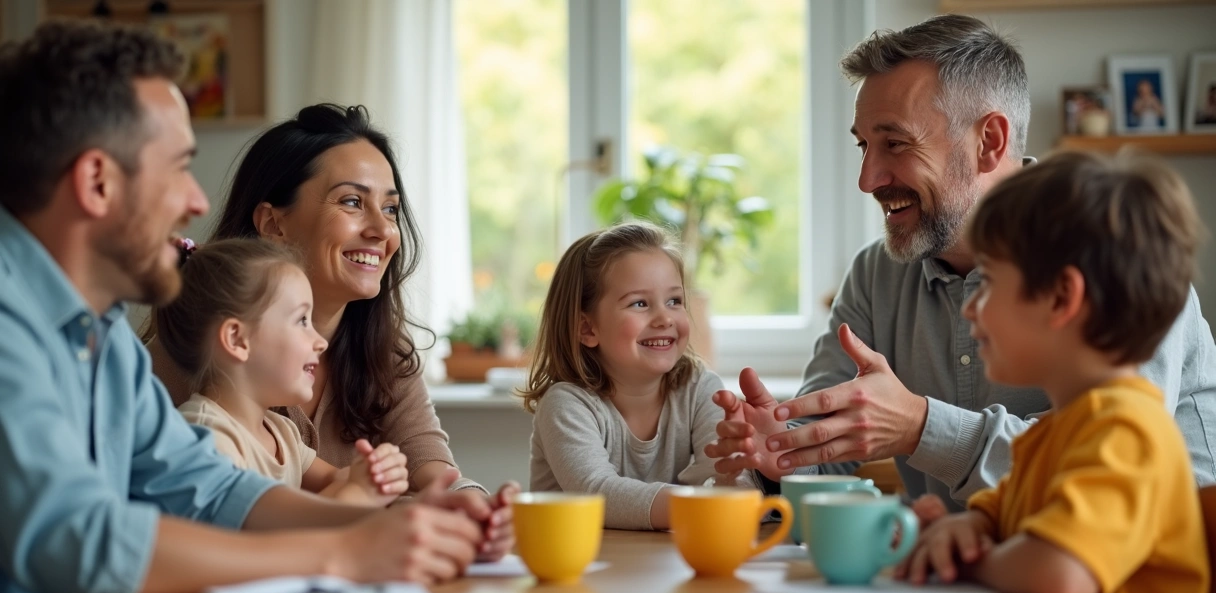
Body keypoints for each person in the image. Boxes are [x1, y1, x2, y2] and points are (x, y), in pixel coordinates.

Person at [0, 20, 482, 593]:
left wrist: (394, 528)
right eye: (177, 168)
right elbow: (76, 540)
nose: (196, 201)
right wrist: (340, 555)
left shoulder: (106, 336)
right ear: (97, 182)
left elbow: (204, 484)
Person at [705, 14, 1216, 509]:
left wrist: (920, 427)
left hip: (1146, 579)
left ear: (988, 142)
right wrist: (782, 450)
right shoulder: (875, 275)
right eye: (864, 146)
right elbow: (827, 443)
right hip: (979, 576)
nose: (868, 179)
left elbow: (1100, 466)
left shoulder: (1117, 255)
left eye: (895, 143)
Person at [145, 103, 518, 560]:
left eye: (391, 208)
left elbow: (435, 475)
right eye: (351, 201)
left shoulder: (385, 354)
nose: (383, 230)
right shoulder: (186, 361)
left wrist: (473, 512)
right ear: (273, 224)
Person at [897, 151, 1209, 593]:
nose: (970, 310)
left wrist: (972, 565)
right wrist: (967, 531)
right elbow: (1004, 512)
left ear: (1062, 298)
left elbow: (1060, 573)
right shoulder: (1063, 430)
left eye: (991, 283)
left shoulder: (1127, 431)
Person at [158, 238, 409, 505]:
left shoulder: (281, 432)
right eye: (302, 320)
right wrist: (355, 495)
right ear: (237, 339)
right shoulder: (205, 438)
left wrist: (375, 472)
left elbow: (336, 481)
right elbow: (267, 541)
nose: (321, 341)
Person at [522, 223, 735, 530]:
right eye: (640, 304)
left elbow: (721, 481)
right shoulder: (566, 405)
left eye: (674, 301)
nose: (665, 318)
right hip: (574, 567)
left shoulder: (700, 387)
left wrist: (738, 471)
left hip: (652, 567)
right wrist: (707, 501)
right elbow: (596, 493)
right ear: (587, 329)